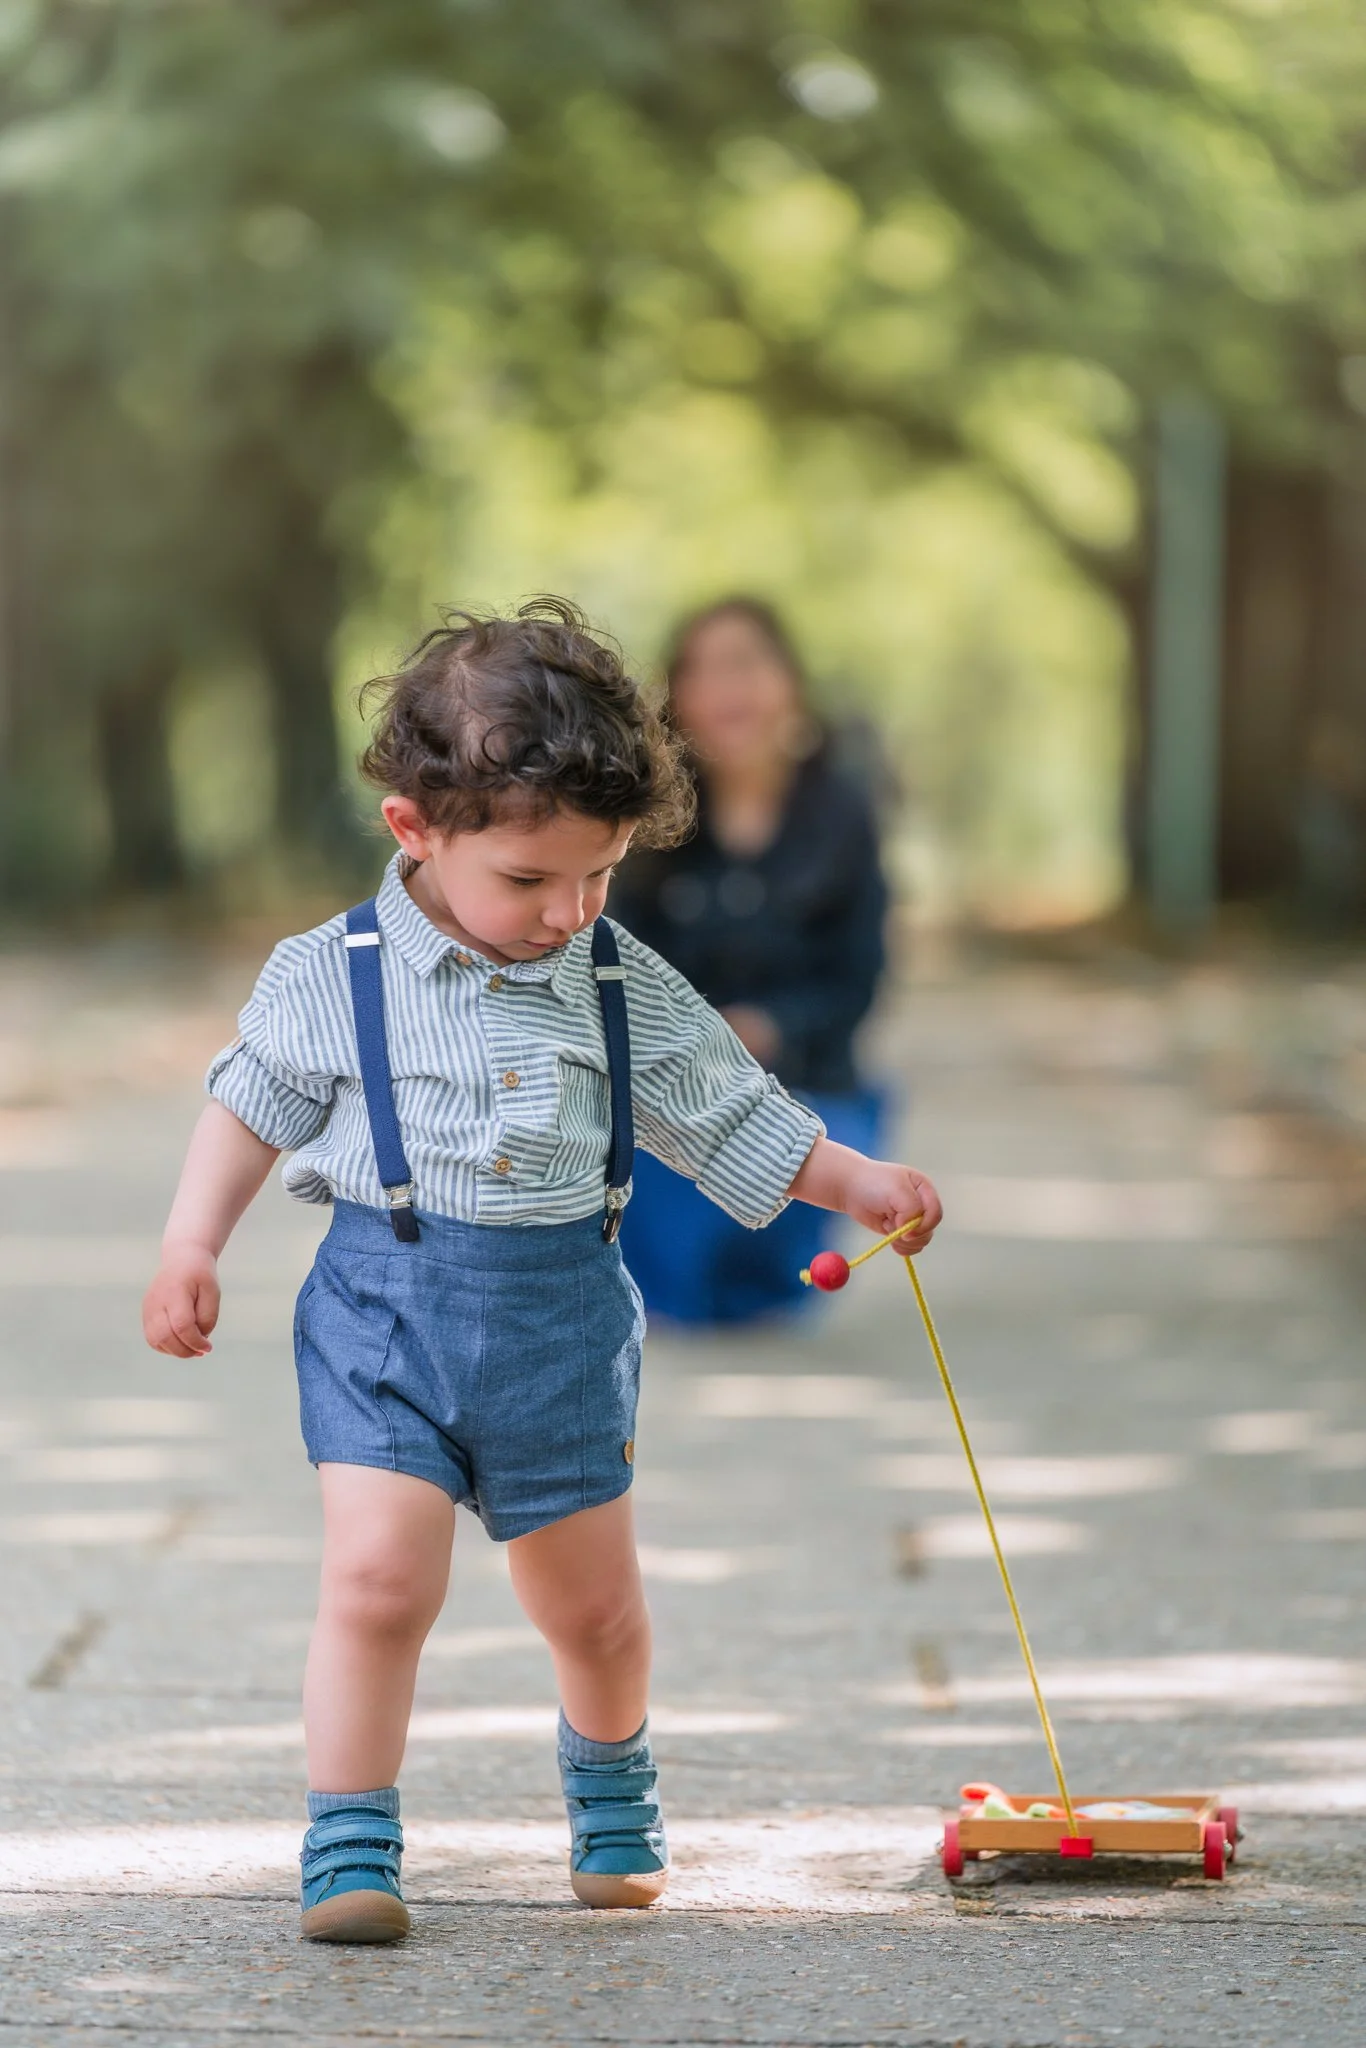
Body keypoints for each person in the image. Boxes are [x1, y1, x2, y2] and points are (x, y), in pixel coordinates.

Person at [140, 598, 941, 1944]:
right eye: (528, 880)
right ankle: (349, 1837)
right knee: (378, 1582)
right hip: (382, 1313)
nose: (567, 911)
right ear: (418, 832)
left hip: (559, 1323)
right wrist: (189, 1242)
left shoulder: (614, 973)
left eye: (599, 875)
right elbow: (250, 1099)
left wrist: (852, 1183)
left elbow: (724, 1108)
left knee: (593, 1607)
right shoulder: (334, 972)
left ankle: (612, 1780)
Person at [611, 597, 890, 1322]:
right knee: (679, 1289)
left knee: (770, 1287)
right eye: (700, 671)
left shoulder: (842, 816)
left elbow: (857, 980)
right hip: (669, 1096)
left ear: (790, 682)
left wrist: (769, 1029)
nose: (725, 689)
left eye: (744, 664)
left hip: (808, 1085)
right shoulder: (644, 821)